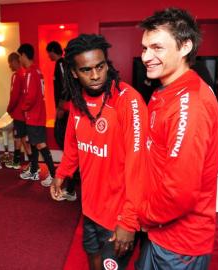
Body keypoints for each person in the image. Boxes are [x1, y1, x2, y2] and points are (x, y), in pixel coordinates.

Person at [50, 34, 148, 270]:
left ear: (107, 64)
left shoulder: (128, 101)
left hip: (118, 215)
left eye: (100, 66)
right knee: (92, 259)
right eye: (86, 70)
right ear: (74, 73)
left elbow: (140, 167)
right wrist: (62, 173)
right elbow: (74, 145)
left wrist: (129, 220)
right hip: (89, 208)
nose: (95, 76)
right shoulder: (77, 102)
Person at [135, 8, 218, 270]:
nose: (146, 57)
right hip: (159, 230)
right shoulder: (166, 91)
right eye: (145, 48)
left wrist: (140, 213)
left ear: (185, 46)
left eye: (157, 48)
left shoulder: (191, 103)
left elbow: (179, 193)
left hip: (178, 244)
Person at [17, 43, 56, 185]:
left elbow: (30, 97)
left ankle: (53, 174)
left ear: (23, 55)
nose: (19, 59)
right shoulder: (37, 70)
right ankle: (34, 170)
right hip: (38, 113)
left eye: (20, 56)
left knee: (40, 144)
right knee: (34, 143)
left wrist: (23, 108)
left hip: (34, 115)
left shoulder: (30, 72)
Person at [46, 41, 78, 200]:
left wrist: (60, 107)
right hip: (66, 110)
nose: (48, 56)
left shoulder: (61, 62)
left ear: (53, 51)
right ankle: (71, 184)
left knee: (67, 146)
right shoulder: (63, 64)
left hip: (65, 111)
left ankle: (71, 186)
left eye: (48, 53)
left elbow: (66, 86)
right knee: (68, 147)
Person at [5, 52, 32, 170]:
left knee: (23, 138)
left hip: (18, 112)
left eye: (10, 63)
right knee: (19, 136)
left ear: (14, 61)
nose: (9, 66)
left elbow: (14, 96)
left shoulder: (17, 75)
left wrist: (9, 109)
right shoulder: (26, 73)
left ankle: (33, 163)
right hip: (26, 112)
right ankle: (16, 160)